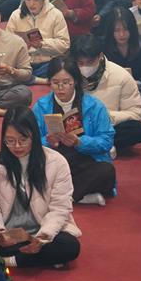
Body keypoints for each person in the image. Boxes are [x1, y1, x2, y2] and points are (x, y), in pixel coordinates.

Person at [0, 107, 82, 268]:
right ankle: (32, 259)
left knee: (69, 246)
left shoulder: (56, 162)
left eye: (23, 139)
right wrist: (0, 233)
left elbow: (60, 208)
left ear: (34, 136)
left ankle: (11, 260)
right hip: (7, 234)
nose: (17, 146)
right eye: (10, 140)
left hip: (42, 232)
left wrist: (42, 238)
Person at [31, 57, 116, 205]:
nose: (60, 87)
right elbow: (31, 141)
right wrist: (48, 141)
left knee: (106, 171)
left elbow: (107, 140)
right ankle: (79, 196)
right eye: (55, 82)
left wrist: (80, 142)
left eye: (66, 82)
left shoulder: (94, 105)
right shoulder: (41, 106)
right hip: (54, 161)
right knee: (31, 169)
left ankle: (58, 196)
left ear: (75, 81)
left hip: (86, 161)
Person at [70, 35, 141, 153]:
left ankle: (95, 144)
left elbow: (136, 114)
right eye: (80, 63)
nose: (85, 67)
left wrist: (106, 116)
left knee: (137, 130)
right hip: (77, 124)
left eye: (90, 62)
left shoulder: (121, 75)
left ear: (100, 56)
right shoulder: (69, 73)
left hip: (108, 125)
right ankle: (96, 145)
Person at [102, 7, 141, 111]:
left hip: (136, 91)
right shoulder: (102, 47)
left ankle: (116, 109)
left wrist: (137, 83)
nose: (122, 34)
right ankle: (131, 109)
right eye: (117, 30)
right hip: (111, 91)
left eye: (126, 29)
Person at [7, 0, 71, 78]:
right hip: (24, 64)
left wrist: (42, 44)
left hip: (47, 63)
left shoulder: (55, 14)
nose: (31, 4)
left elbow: (64, 44)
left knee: (61, 69)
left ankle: (30, 79)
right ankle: (30, 78)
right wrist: (22, 46)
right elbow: (8, 44)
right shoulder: (16, 15)